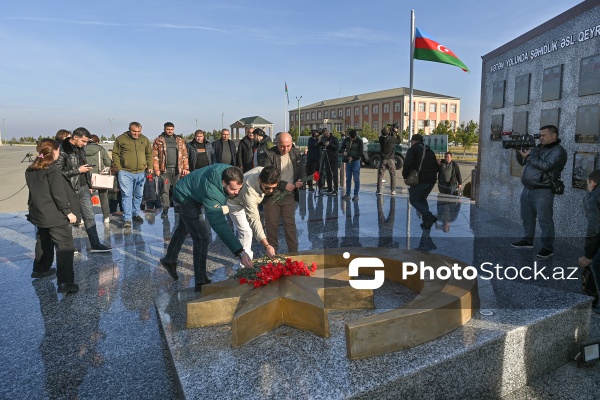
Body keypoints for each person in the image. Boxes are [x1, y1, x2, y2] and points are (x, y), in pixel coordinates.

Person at [159, 164, 253, 290]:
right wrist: (240, 252)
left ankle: (169, 259)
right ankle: (200, 281)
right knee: (202, 237)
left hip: (192, 190)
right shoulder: (213, 193)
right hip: (184, 197)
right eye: (233, 189)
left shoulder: (230, 171)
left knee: (184, 227)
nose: (237, 193)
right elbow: (220, 225)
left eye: (239, 188)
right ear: (224, 183)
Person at [26, 139, 79, 293]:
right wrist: (68, 212)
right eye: (58, 150)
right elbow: (58, 194)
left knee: (44, 241)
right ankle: (66, 283)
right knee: (65, 247)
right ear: (54, 151)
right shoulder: (52, 169)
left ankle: (40, 269)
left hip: (39, 213)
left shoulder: (31, 169)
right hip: (54, 214)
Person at [512, 125, 567, 258]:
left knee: (545, 220)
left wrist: (529, 156)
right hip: (528, 189)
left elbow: (546, 166)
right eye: (540, 135)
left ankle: (547, 247)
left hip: (543, 191)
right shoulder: (538, 148)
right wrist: (519, 151)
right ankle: (527, 240)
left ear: (554, 136)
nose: (540, 138)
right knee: (527, 217)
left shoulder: (558, 151)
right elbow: (524, 162)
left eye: (543, 135)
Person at [56, 128, 111, 252]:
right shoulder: (63, 150)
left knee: (89, 215)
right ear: (75, 137)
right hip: (69, 188)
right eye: (83, 141)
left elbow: (84, 167)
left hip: (83, 187)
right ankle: (69, 246)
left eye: (87, 141)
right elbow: (58, 172)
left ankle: (95, 244)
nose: (85, 144)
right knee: (70, 219)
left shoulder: (80, 149)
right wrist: (78, 171)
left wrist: (89, 184)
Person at [263, 132, 306, 253]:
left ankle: (294, 253)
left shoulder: (296, 153)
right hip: (272, 195)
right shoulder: (270, 154)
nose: (285, 149)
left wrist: (300, 181)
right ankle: (272, 256)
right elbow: (267, 174)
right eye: (282, 146)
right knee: (271, 226)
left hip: (289, 195)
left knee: (290, 225)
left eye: (288, 145)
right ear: (277, 143)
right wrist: (283, 184)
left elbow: (302, 170)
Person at [227, 166, 280, 259]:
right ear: (260, 180)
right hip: (234, 203)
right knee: (246, 232)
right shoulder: (249, 191)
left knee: (249, 231)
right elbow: (254, 219)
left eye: (273, 188)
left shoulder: (265, 171)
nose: (271, 191)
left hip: (246, 201)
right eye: (268, 188)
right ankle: (244, 265)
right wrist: (267, 245)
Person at [112, 122, 153, 228]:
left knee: (139, 195)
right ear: (129, 130)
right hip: (125, 172)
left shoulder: (144, 139)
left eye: (138, 131)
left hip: (140, 172)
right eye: (134, 131)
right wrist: (119, 168)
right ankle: (127, 219)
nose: (136, 134)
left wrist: (150, 166)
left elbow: (149, 154)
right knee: (127, 195)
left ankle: (135, 214)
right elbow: (115, 154)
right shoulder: (121, 139)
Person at [402, 134, 440, 230]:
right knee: (422, 199)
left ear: (414, 141)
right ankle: (426, 222)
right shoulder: (429, 151)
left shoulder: (413, 149)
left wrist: (405, 176)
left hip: (421, 179)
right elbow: (438, 167)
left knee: (414, 200)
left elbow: (407, 163)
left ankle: (429, 216)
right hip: (432, 180)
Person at [152, 122, 189, 218]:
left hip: (177, 170)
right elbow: (154, 156)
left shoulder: (179, 140)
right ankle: (165, 209)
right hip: (165, 171)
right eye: (168, 129)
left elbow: (184, 155)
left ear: (174, 129)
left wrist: (185, 168)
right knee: (165, 191)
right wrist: (156, 169)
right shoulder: (159, 140)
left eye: (171, 129)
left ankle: (177, 208)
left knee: (177, 190)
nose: (170, 131)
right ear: (164, 129)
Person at [578, 169, 600, 314]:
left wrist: (588, 255)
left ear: (592, 183)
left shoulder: (593, 197)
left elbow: (595, 228)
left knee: (597, 264)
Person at [84, 134, 113, 223]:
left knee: (84, 198)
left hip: (85, 176)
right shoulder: (100, 149)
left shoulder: (81, 149)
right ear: (97, 142)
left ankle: (86, 217)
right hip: (99, 176)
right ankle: (106, 217)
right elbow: (108, 162)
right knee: (103, 196)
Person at [340, 129, 363, 201]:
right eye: (351, 138)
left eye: (353, 138)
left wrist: (352, 158)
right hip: (348, 162)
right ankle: (348, 194)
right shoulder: (346, 140)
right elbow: (341, 148)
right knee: (348, 179)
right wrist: (343, 152)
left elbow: (360, 152)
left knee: (356, 179)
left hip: (356, 161)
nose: (352, 139)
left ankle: (356, 195)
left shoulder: (359, 141)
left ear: (356, 136)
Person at [376, 127, 398, 196]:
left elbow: (385, 137)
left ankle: (379, 190)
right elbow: (399, 140)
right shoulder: (392, 138)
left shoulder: (381, 139)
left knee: (380, 175)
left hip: (383, 159)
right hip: (391, 159)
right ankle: (393, 190)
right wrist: (396, 132)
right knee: (392, 175)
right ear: (388, 133)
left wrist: (390, 133)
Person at [318, 128, 339, 196]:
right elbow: (318, 146)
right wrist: (320, 141)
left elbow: (337, 147)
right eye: (325, 134)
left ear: (329, 132)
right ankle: (330, 188)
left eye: (327, 133)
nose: (326, 135)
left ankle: (336, 189)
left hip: (333, 159)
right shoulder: (324, 139)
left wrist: (329, 144)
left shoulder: (334, 139)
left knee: (335, 175)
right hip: (326, 159)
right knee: (328, 175)